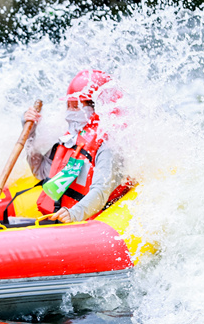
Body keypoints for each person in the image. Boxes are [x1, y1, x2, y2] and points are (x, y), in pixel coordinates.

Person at [23, 70, 127, 223]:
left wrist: (74, 213)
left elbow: (101, 190)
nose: (70, 112)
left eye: (76, 106)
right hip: (60, 216)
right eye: (69, 105)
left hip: (87, 222)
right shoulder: (71, 139)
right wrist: (30, 132)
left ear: (97, 108)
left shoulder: (108, 145)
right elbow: (39, 171)